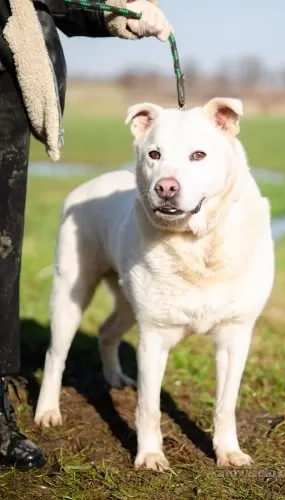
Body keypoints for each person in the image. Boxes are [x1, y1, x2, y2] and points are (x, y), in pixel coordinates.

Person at [0, 0, 171, 468]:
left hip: (4, 82)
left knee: (2, 247)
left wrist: (123, 11)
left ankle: (2, 408)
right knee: (68, 289)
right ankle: (50, 380)